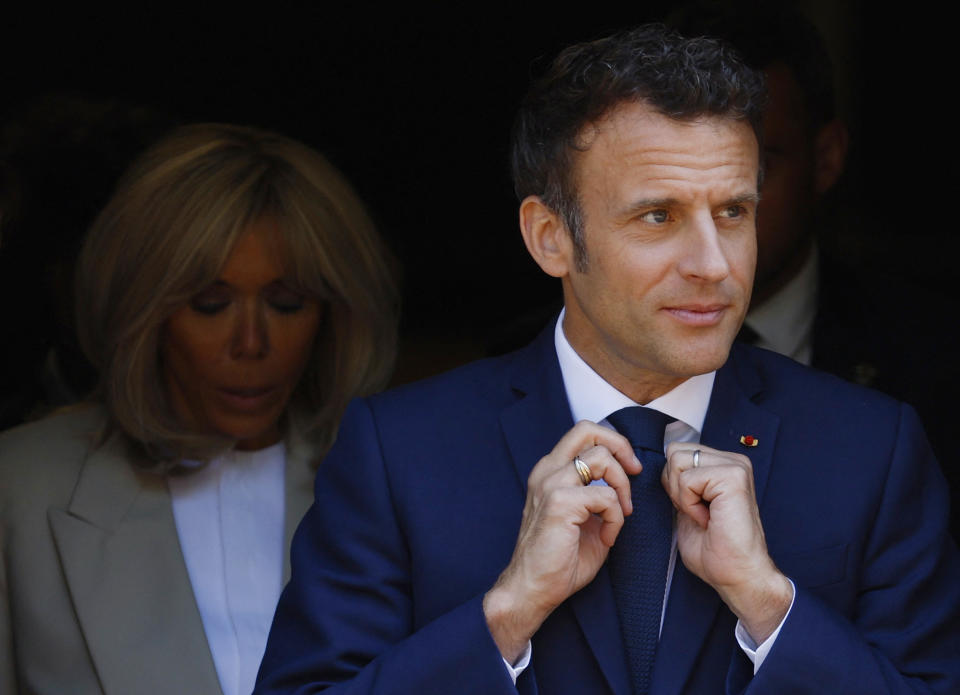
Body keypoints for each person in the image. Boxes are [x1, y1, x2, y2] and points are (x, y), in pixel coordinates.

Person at [255, 26, 959, 695]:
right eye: (658, 216)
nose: (713, 264)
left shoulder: (873, 450)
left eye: (734, 212)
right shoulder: (397, 452)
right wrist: (506, 613)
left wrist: (773, 608)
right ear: (549, 236)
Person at [0, 123, 398, 695]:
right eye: (210, 305)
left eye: (287, 304)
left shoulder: (396, 485)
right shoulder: (21, 491)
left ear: (333, 315)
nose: (251, 343)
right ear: (141, 313)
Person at [670, 0, 960, 540]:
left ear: (825, 158)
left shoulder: (936, 364)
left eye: (754, 170)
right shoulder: (553, 356)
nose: (713, 216)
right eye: (674, 181)